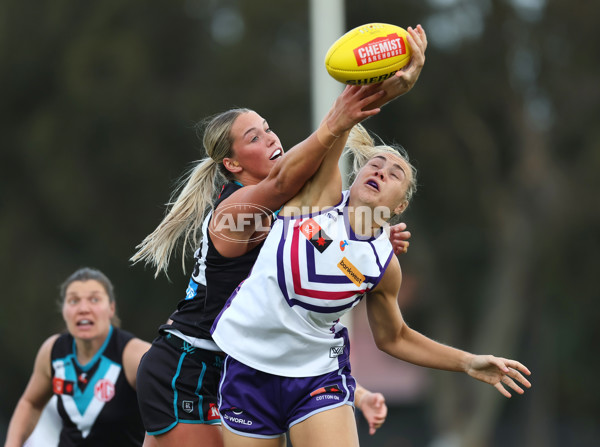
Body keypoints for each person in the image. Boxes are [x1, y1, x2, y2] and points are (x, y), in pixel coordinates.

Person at [131, 24, 428, 447]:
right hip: (189, 366)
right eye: (254, 137)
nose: (271, 137)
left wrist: (371, 235)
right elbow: (294, 185)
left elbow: (327, 223)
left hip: (243, 365)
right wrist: (353, 107)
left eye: (268, 127)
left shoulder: (290, 203)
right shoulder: (239, 209)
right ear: (233, 165)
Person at [209, 112, 532, 446]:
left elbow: (395, 337)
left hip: (316, 378)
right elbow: (334, 131)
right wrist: (357, 99)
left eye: (395, 174)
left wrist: (468, 362)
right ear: (357, 173)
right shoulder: (319, 197)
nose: (381, 170)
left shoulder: (383, 265)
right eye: (375, 163)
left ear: (400, 205)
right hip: (248, 367)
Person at [4, 267, 156, 447]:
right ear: (63, 310)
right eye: (74, 300)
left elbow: (164, 411)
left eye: (94, 299)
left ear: (111, 308)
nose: (83, 308)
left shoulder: (133, 355)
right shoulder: (53, 352)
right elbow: (30, 403)